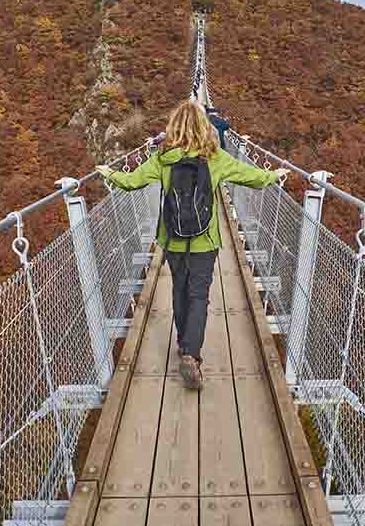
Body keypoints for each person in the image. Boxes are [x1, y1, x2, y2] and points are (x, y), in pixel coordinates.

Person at [97, 100, 289, 390]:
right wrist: (274, 174)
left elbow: (131, 182)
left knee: (179, 291)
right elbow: (252, 178)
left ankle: (182, 341)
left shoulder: (162, 158)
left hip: (173, 239)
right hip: (204, 241)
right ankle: (191, 353)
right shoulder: (215, 157)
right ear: (205, 127)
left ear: (173, 128)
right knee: (199, 296)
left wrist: (109, 173)